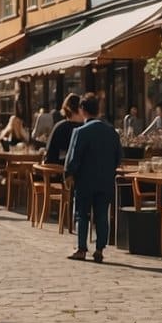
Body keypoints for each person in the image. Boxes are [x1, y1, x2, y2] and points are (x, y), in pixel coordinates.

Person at [65, 92, 123, 263]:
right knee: (101, 215)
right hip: (105, 180)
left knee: (82, 214)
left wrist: (69, 174)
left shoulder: (80, 131)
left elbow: (73, 157)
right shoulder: (111, 131)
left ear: (82, 110)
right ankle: (99, 249)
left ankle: (81, 248)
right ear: (98, 110)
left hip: (85, 181)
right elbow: (119, 156)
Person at [44, 93, 82, 165]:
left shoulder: (59, 126)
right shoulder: (83, 128)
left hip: (53, 171)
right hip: (72, 172)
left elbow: (49, 156)